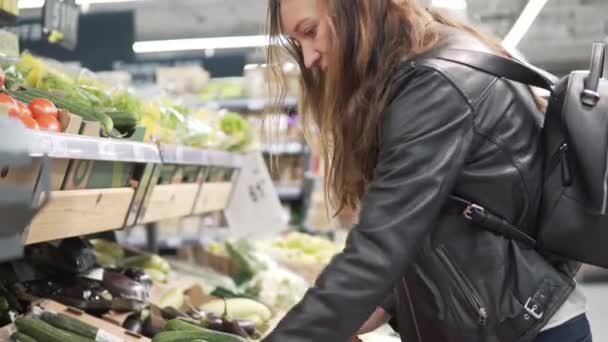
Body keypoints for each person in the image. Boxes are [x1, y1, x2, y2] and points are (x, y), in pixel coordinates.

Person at [263, 1, 592, 342]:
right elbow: (449, 219)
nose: (308, 58)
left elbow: (379, 247)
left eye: (310, 32)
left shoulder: (435, 81)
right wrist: (387, 302)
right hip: (505, 320)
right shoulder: (428, 62)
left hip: (523, 329)